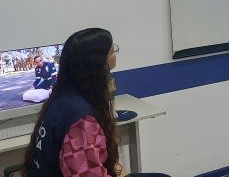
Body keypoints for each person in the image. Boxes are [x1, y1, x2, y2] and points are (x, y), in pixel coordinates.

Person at [23, 28, 169, 177]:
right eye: (112, 51)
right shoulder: (81, 119)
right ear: (97, 64)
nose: (115, 55)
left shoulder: (61, 98)